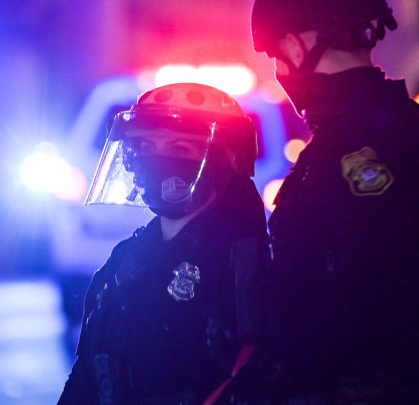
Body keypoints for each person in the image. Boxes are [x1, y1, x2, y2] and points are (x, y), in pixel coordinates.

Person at [228, 0, 419, 403]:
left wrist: (274, 373)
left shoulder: (352, 146)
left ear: (300, 47)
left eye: (278, 55)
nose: (281, 71)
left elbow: (366, 293)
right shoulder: (418, 129)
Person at [58, 82, 269, 404]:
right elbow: (87, 374)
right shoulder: (126, 259)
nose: (156, 160)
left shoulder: (243, 266)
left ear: (224, 161)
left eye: (180, 149)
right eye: (144, 146)